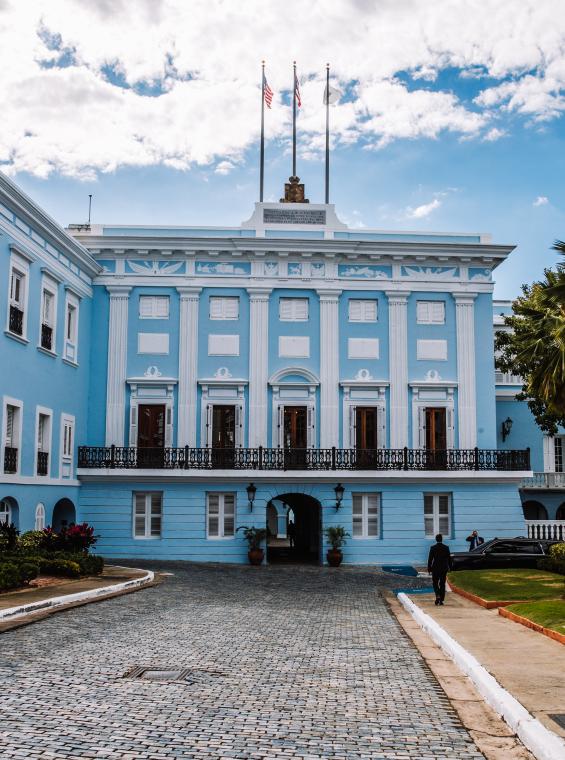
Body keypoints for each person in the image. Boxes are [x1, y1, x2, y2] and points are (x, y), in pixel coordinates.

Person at [427, 534, 453, 606]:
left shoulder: (433, 548)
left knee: (435, 583)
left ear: (436, 539)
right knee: (442, 584)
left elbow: (430, 559)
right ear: (442, 539)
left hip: (435, 568)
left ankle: (437, 595)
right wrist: (450, 568)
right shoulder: (446, 548)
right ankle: (441, 599)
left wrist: (429, 568)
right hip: (443, 568)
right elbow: (449, 559)